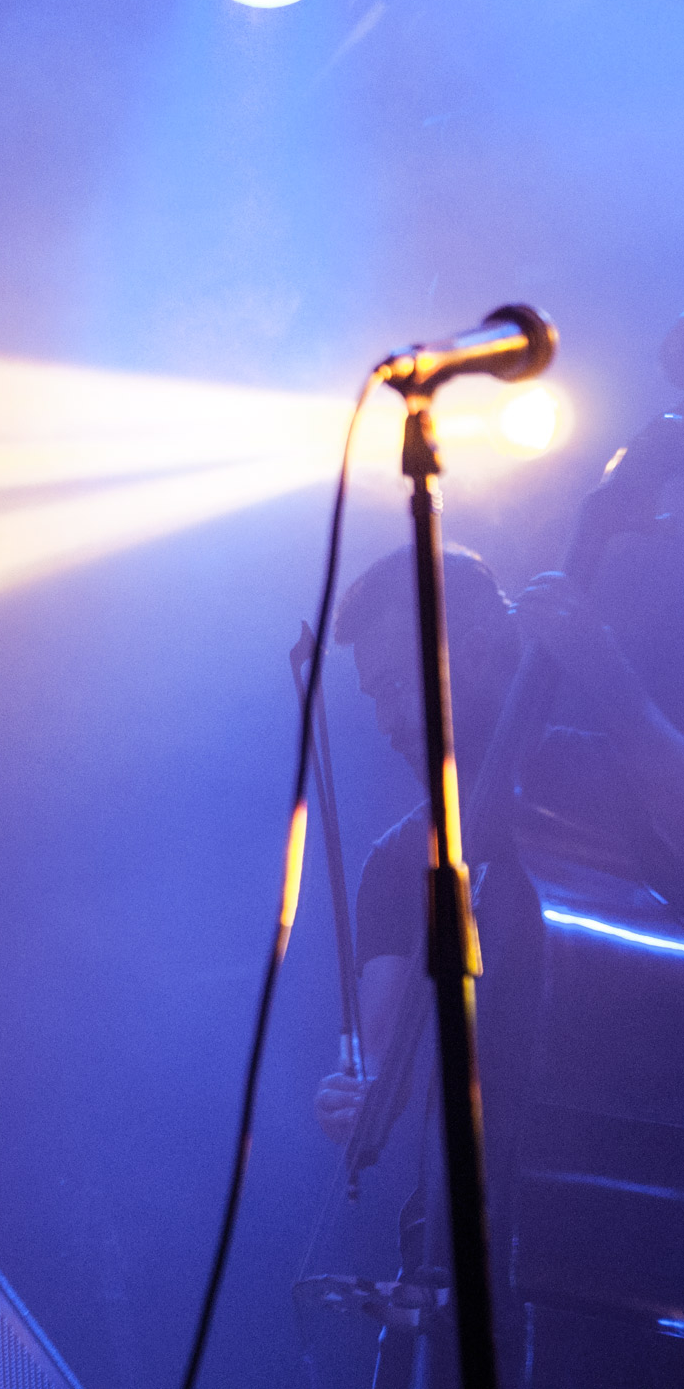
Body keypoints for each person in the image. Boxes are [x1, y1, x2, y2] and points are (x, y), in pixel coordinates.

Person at [312, 543, 684, 1381]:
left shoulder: (606, 774)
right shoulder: (398, 862)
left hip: (623, 1234)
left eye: (401, 684)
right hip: (451, 1248)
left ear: (477, 647)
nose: (389, 721)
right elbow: (379, 1060)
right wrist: (356, 1097)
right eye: (375, 696)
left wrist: (617, 691)